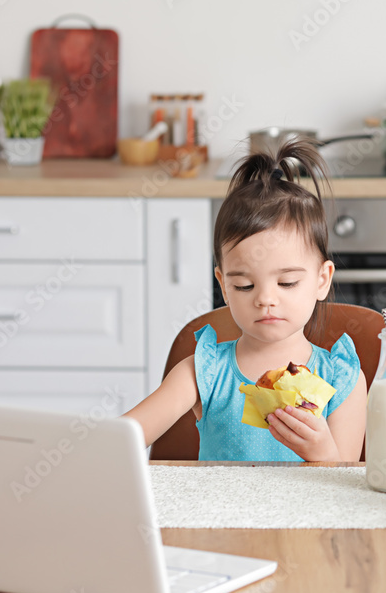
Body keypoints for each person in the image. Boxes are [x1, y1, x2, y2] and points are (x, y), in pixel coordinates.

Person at [125, 138, 366, 461]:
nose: (266, 299)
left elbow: (345, 494)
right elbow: (123, 439)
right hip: (218, 513)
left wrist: (321, 451)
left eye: (287, 282)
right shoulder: (202, 373)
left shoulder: (341, 379)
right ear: (223, 286)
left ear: (322, 280)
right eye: (244, 286)